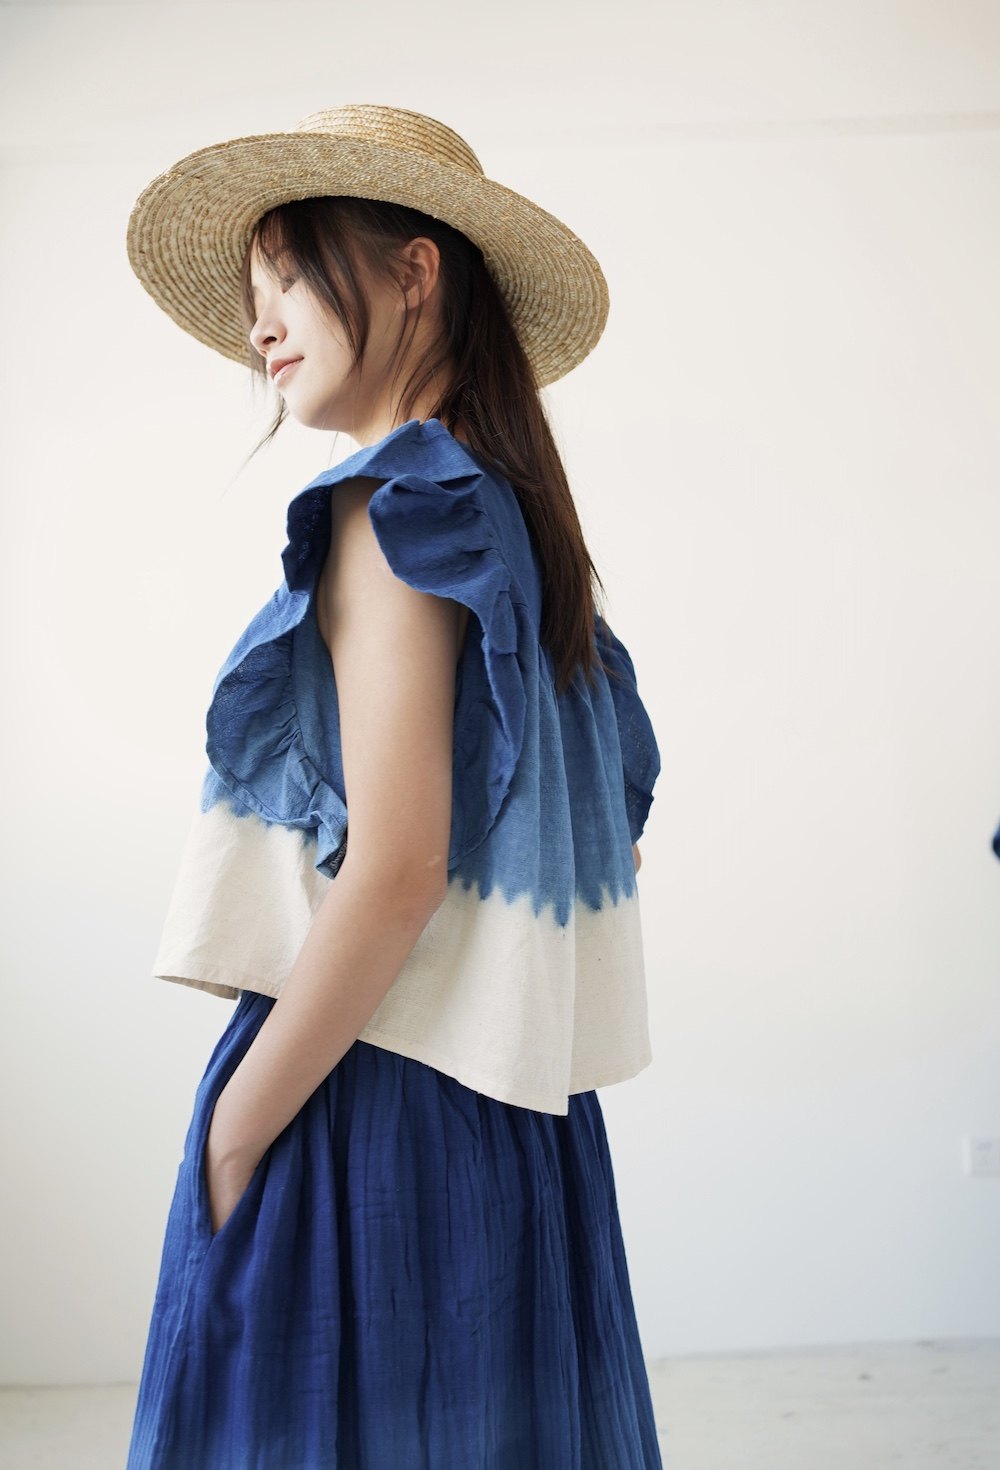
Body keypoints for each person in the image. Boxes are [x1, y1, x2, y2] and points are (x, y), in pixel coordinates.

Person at [123, 103, 664, 1470]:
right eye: (254, 293)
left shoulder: (396, 508)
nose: (261, 325)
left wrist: (236, 1133)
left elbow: (402, 866)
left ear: (414, 271)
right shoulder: (517, 526)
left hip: (374, 1095)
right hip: (509, 1108)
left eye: (289, 278)